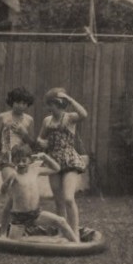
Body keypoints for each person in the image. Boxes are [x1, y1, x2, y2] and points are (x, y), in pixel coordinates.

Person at [36, 87, 88, 239]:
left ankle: (75, 232)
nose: (50, 108)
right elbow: (40, 138)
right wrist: (42, 143)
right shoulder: (47, 120)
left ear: (59, 104)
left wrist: (70, 99)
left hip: (69, 160)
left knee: (68, 198)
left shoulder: (70, 117)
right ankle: (61, 231)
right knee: (58, 201)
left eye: (52, 104)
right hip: (53, 161)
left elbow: (84, 114)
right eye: (50, 105)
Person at [0, 145, 78, 242]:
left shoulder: (35, 171)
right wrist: (6, 182)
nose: (21, 164)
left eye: (24, 160)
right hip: (19, 217)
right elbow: (2, 192)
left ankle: (77, 243)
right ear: (13, 161)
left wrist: (45, 157)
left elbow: (56, 169)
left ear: (30, 160)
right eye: (17, 161)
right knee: (13, 242)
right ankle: (10, 236)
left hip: (36, 214)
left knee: (62, 221)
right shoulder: (14, 175)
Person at [0, 86, 35, 233]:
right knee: (14, 192)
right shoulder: (2, 117)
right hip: (6, 156)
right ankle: (3, 230)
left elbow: (30, 143)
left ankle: (21, 228)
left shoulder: (29, 120)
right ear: (11, 102)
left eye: (24, 103)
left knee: (23, 195)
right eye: (18, 102)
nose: (21, 106)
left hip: (21, 158)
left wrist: (24, 132)